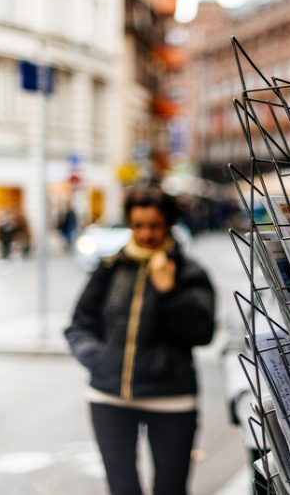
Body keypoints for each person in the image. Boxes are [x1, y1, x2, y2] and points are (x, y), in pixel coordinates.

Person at [64, 186, 215, 495]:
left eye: (154, 226)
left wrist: (169, 291)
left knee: (171, 489)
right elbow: (79, 325)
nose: (146, 234)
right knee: (122, 488)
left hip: (172, 399)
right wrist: (99, 359)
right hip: (109, 399)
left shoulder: (189, 271)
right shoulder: (110, 268)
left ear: (169, 225)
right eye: (138, 226)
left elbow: (202, 333)